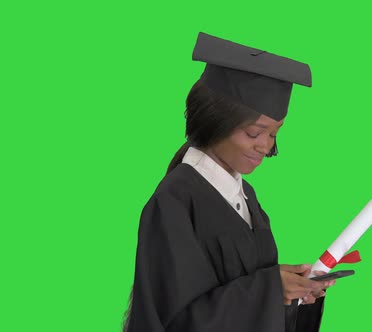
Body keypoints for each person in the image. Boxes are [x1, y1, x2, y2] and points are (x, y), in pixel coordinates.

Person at [124, 32, 337, 332]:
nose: (264, 146)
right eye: (254, 133)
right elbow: (176, 321)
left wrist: (294, 295)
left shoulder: (245, 195)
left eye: (274, 133)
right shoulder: (173, 203)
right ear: (216, 121)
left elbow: (248, 292)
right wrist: (270, 292)